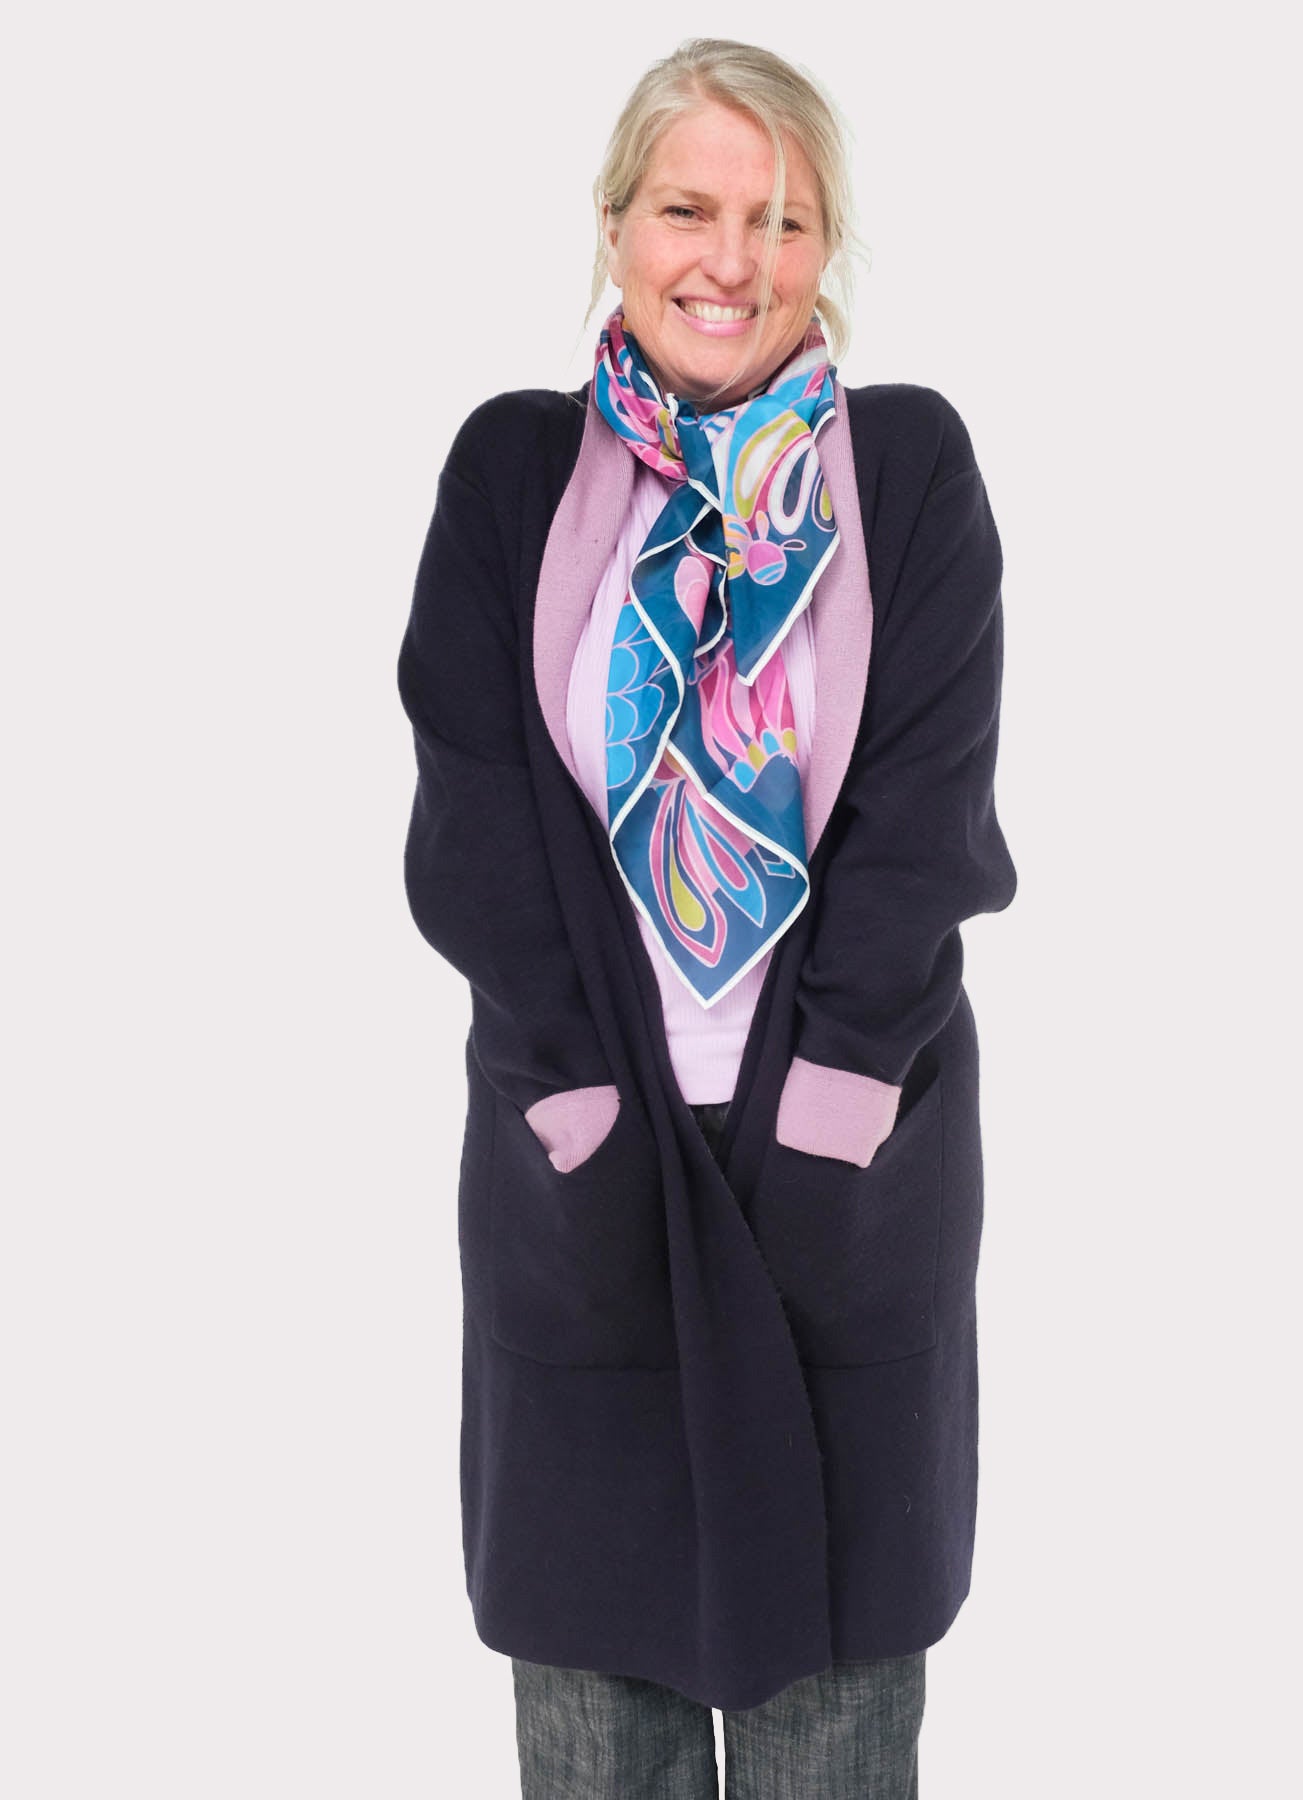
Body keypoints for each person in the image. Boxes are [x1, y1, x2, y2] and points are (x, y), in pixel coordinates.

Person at [396, 35, 1017, 1798]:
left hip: (845, 1169)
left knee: (834, 1715)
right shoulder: (510, 474)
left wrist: (835, 1102)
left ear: (825, 249)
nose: (731, 261)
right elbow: (475, 824)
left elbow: (924, 817)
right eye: (688, 209)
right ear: (614, 226)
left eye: (781, 219)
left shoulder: (906, 473)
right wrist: (573, 1101)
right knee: (600, 1717)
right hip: (583, 1166)